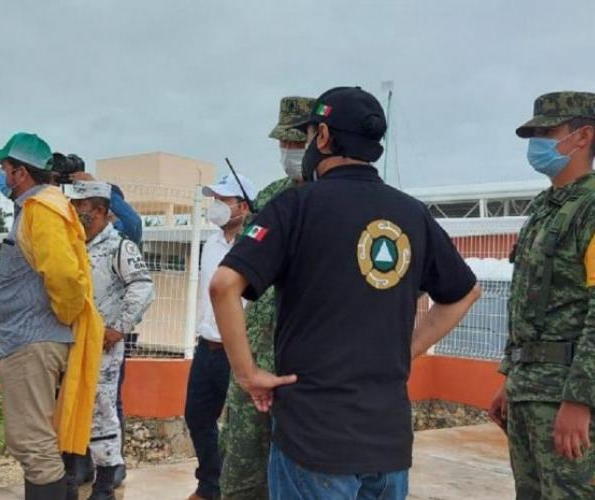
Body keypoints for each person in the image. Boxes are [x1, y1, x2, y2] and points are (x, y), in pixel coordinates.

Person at [210, 87, 481, 500]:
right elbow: (465, 292)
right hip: (388, 444)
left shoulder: (296, 206)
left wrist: (248, 374)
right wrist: (407, 350)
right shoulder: (412, 214)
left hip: (313, 441)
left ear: (322, 137)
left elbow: (223, 285)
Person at [489, 92, 595, 499]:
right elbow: (529, 302)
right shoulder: (546, 208)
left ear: (582, 136)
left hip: (568, 400)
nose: (535, 141)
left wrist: (581, 401)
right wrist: (512, 376)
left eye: (546, 131)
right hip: (529, 392)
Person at [0, 132, 104, 499]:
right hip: (30, 338)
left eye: (4, 167)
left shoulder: (41, 210)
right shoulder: (41, 208)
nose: (2, 174)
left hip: (33, 340)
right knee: (33, 440)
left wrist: (62, 315)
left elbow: (66, 276)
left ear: (21, 172)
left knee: (32, 442)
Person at [220, 95, 313, 500]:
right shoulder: (274, 195)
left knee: (300, 477)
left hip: (306, 366)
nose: (289, 153)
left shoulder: (338, 202)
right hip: (255, 356)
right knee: (240, 470)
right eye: (284, 144)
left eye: (297, 143)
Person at [68, 180, 155, 499]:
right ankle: (73, 472)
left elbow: (143, 287)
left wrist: (119, 326)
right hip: (70, 341)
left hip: (103, 344)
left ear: (103, 212)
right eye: (75, 209)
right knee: (71, 409)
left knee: (102, 409)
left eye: (84, 211)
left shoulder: (120, 247)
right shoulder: (73, 244)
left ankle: (105, 482)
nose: (78, 216)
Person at [185, 173, 258, 500]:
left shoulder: (255, 245)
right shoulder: (210, 243)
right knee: (197, 415)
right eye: (213, 199)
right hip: (207, 347)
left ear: (243, 206)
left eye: (223, 200)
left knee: (241, 428)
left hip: (239, 350)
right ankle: (210, 484)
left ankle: (233, 488)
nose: (216, 206)